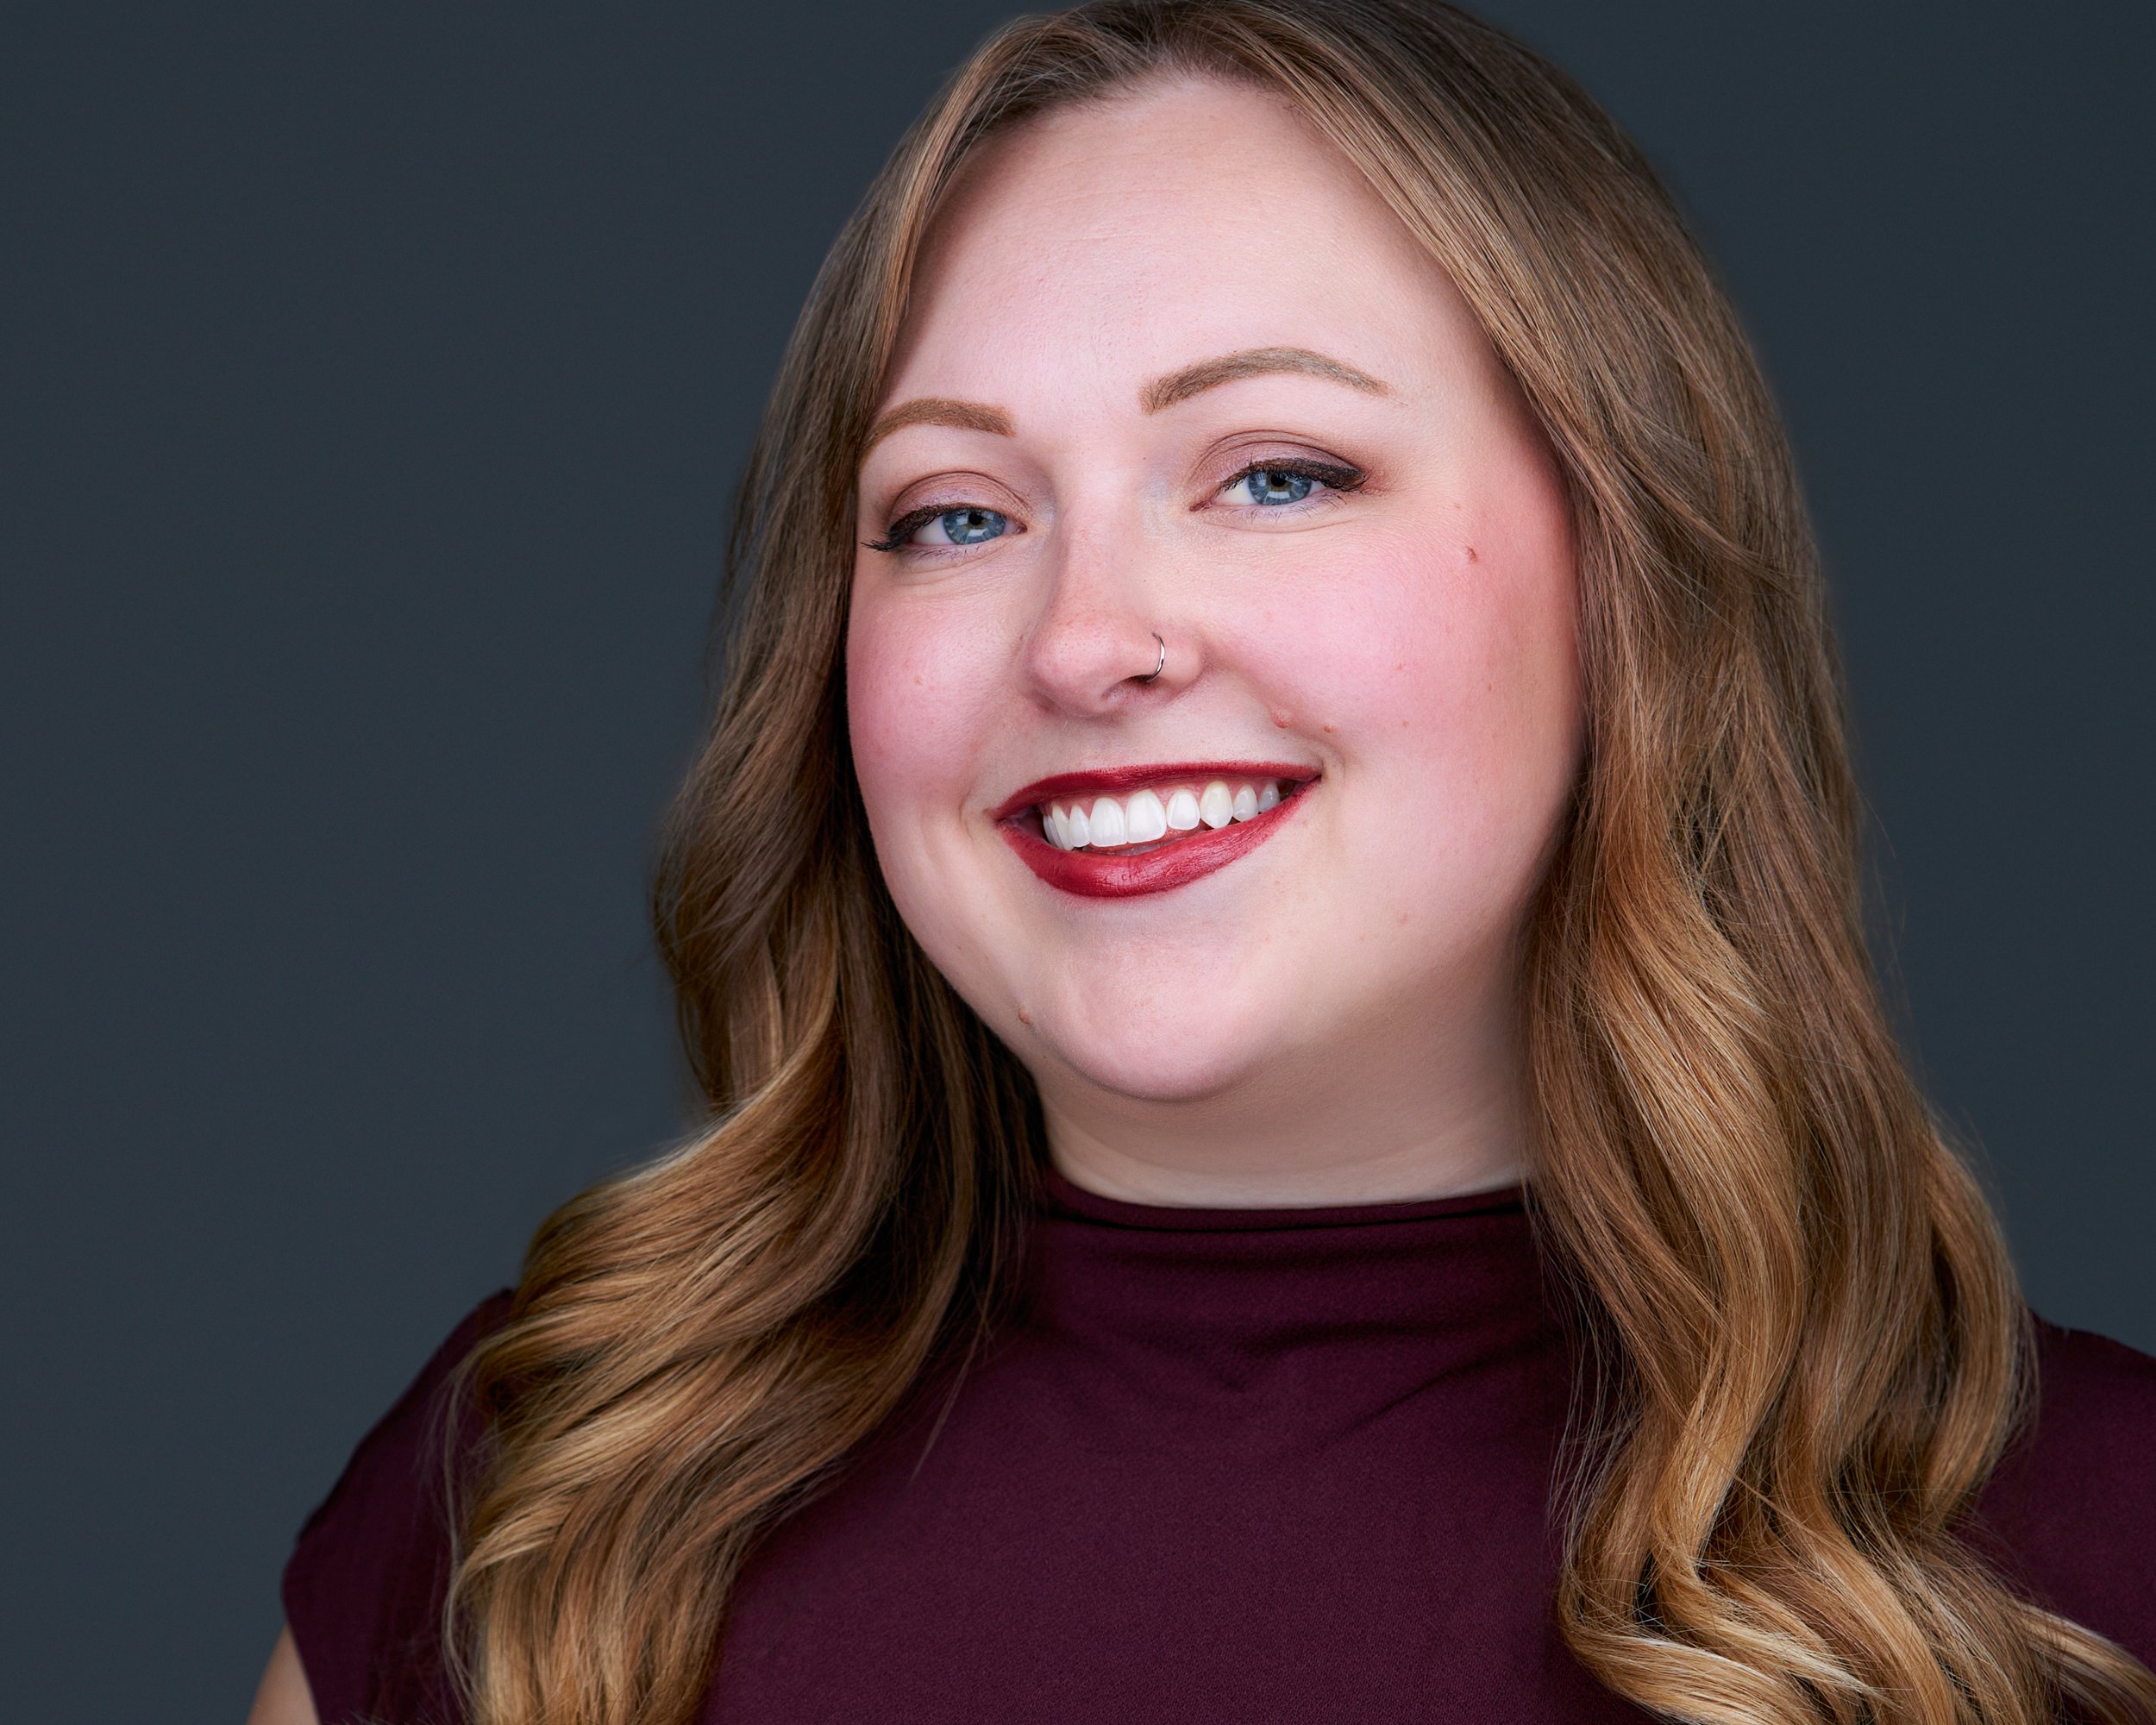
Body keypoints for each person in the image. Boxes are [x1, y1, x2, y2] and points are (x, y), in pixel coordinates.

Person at [247, 3, 2156, 1722]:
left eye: (1275, 473)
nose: (1086, 642)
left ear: (1620, 575)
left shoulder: (2097, 1553)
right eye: (957, 514)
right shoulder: (537, 1505)